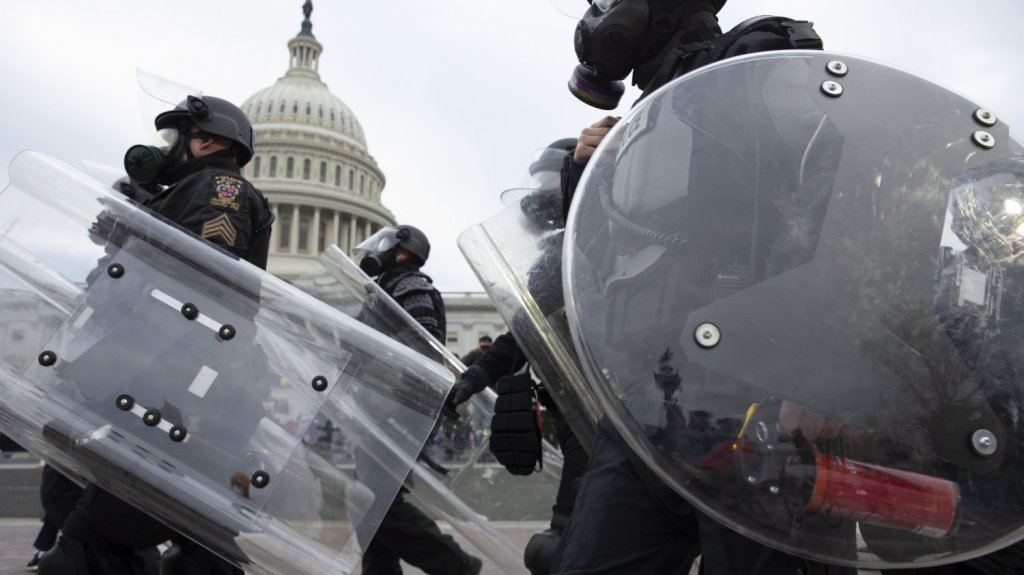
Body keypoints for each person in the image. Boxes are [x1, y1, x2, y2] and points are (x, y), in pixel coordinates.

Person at [549, 1, 861, 574]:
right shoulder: (644, 120)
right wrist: (589, 174)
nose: (598, 13)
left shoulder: (754, 59)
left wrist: (813, 366)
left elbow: (841, 188)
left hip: (752, 392)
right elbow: (601, 262)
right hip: (645, 399)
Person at [40, 93, 273, 575]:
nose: (164, 148)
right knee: (129, 530)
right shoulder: (192, 189)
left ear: (207, 141)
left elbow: (195, 293)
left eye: (176, 136)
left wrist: (106, 369)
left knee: (91, 545)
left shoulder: (220, 189)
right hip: (159, 383)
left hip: (166, 384)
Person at [445, 138, 594, 575]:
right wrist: (474, 377)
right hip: (576, 415)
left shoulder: (612, 248)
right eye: (538, 184)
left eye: (551, 183)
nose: (541, 194)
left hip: (623, 418)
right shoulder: (550, 258)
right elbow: (524, 335)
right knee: (558, 546)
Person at [351, 224, 483, 575]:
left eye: (383, 245)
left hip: (397, 406)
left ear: (403, 253)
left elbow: (420, 352)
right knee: (371, 502)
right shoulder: (385, 289)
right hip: (378, 405)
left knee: (378, 502)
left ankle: (457, 564)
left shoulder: (411, 287)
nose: (372, 251)